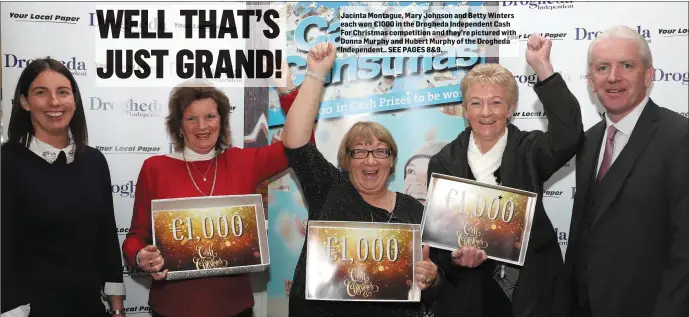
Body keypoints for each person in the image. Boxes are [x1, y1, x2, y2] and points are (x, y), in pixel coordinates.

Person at [281, 42, 480, 317]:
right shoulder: (328, 190)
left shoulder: (416, 210)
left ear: (392, 161)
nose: (371, 160)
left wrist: (431, 278)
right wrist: (316, 74)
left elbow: (436, 285)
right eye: (360, 152)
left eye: (380, 151)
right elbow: (295, 144)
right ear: (346, 161)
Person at [121, 68, 309, 317]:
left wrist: (286, 90)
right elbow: (134, 238)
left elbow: (303, 149)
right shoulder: (155, 168)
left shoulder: (243, 161)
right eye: (191, 119)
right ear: (178, 126)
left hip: (234, 310)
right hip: (171, 310)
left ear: (221, 121)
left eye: (210, 116)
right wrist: (139, 256)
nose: (202, 126)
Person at [426, 34, 583, 317]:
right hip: (469, 295)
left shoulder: (530, 149)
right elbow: (439, 241)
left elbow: (569, 135)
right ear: (465, 109)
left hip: (531, 290)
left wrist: (543, 67)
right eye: (475, 103)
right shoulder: (442, 161)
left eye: (496, 102)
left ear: (511, 109)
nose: (486, 112)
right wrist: (456, 259)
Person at [555, 25, 689, 317]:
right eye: (603, 68)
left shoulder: (680, 139)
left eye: (626, 65)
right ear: (591, 81)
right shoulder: (588, 141)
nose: (613, 77)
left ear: (649, 75)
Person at [1, 58, 125, 317]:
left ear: (75, 100)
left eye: (63, 92)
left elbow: (107, 239)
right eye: (40, 92)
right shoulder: (7, 161)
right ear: (24, 102)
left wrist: (116, 307)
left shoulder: (94, 161)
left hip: (90, 308)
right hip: (30, 311)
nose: (54, 102)